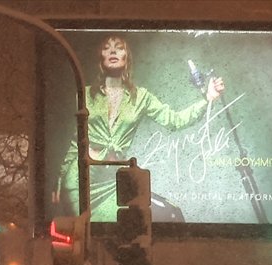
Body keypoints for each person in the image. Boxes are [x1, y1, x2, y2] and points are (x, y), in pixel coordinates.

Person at [54, 35, 226, 222]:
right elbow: (76, 141)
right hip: (81, 182)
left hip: (114, 183)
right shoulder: (85, 94)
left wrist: (206, 99)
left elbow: (174, 120)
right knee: (95, 237)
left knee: (171, 215)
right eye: (107, 48)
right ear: (101, 59)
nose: (112, 51)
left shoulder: (141, 97)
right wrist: (60, 179)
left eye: (119, 47)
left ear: (127, 57)